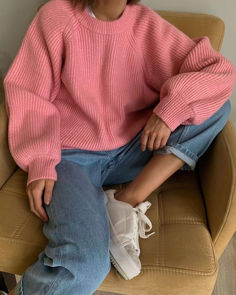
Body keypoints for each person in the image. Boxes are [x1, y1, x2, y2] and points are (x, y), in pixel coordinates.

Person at [3, 0, 236, 294]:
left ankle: (127, 199)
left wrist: (170, 110)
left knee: (216, 108)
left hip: (133, 148)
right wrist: (40, 161)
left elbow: (219, 72)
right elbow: (29, 93)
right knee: (85, 265)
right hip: (70, 158)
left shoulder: (146, 26)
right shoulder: (56, 16)